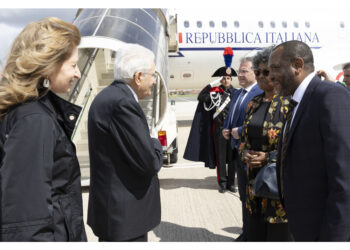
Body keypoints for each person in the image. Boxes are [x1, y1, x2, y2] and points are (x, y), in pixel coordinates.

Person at [0, 17, 87, 241]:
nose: (77, 74)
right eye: (73, 65)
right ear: (49, 66)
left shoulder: (32, 113)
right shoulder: (34, 121)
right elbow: (27, 225)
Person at [268, 40, 350, 241]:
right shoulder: (299, 101)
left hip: (325, 231)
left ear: (297, 65)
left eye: (276, 68)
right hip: (304, 226)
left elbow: (345, 178)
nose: (270, 76)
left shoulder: (330, 96)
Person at [87, 43, 163, 242]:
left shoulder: (108, 95)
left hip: (116, 213)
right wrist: (155, 142)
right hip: (125, 217)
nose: (154, 81)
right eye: (152, 75)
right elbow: (149, 163)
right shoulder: (123, 104)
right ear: (138, 77)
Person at [239, 46, 291, 241]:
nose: (260, 76)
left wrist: (268, 158)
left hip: (278, 188)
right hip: (254, 185)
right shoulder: (254, 103)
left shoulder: (289, 104)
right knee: (254, 234)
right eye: (257, 71)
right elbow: (244, 138)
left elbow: (296, 147)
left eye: (265, 72)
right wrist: (245, 154)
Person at [184, 47, 237, 193]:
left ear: (231, 79)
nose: (226, 80)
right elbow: (201, 97)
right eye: (224, 78)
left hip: (232, 130)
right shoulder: (215, 92)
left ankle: (232, 182)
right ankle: (223, 183)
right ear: (221, 79)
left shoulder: (236, 94)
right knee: (220, 158)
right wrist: (211, 85)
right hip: (219, 130)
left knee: (232, 157)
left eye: (228, 78)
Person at [222, 57, 263, 241]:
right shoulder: (238, 93)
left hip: (251, 153)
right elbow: (232, 115)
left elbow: (260, 122)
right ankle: (247, 231)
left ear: (255, 72)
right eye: (239, 71)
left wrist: (239, 130)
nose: (240, 74)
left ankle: (252, 234)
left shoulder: (259, 92)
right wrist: (227, 127)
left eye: (245, 71)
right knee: (243, 196)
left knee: (252, 197)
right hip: (237, 151)